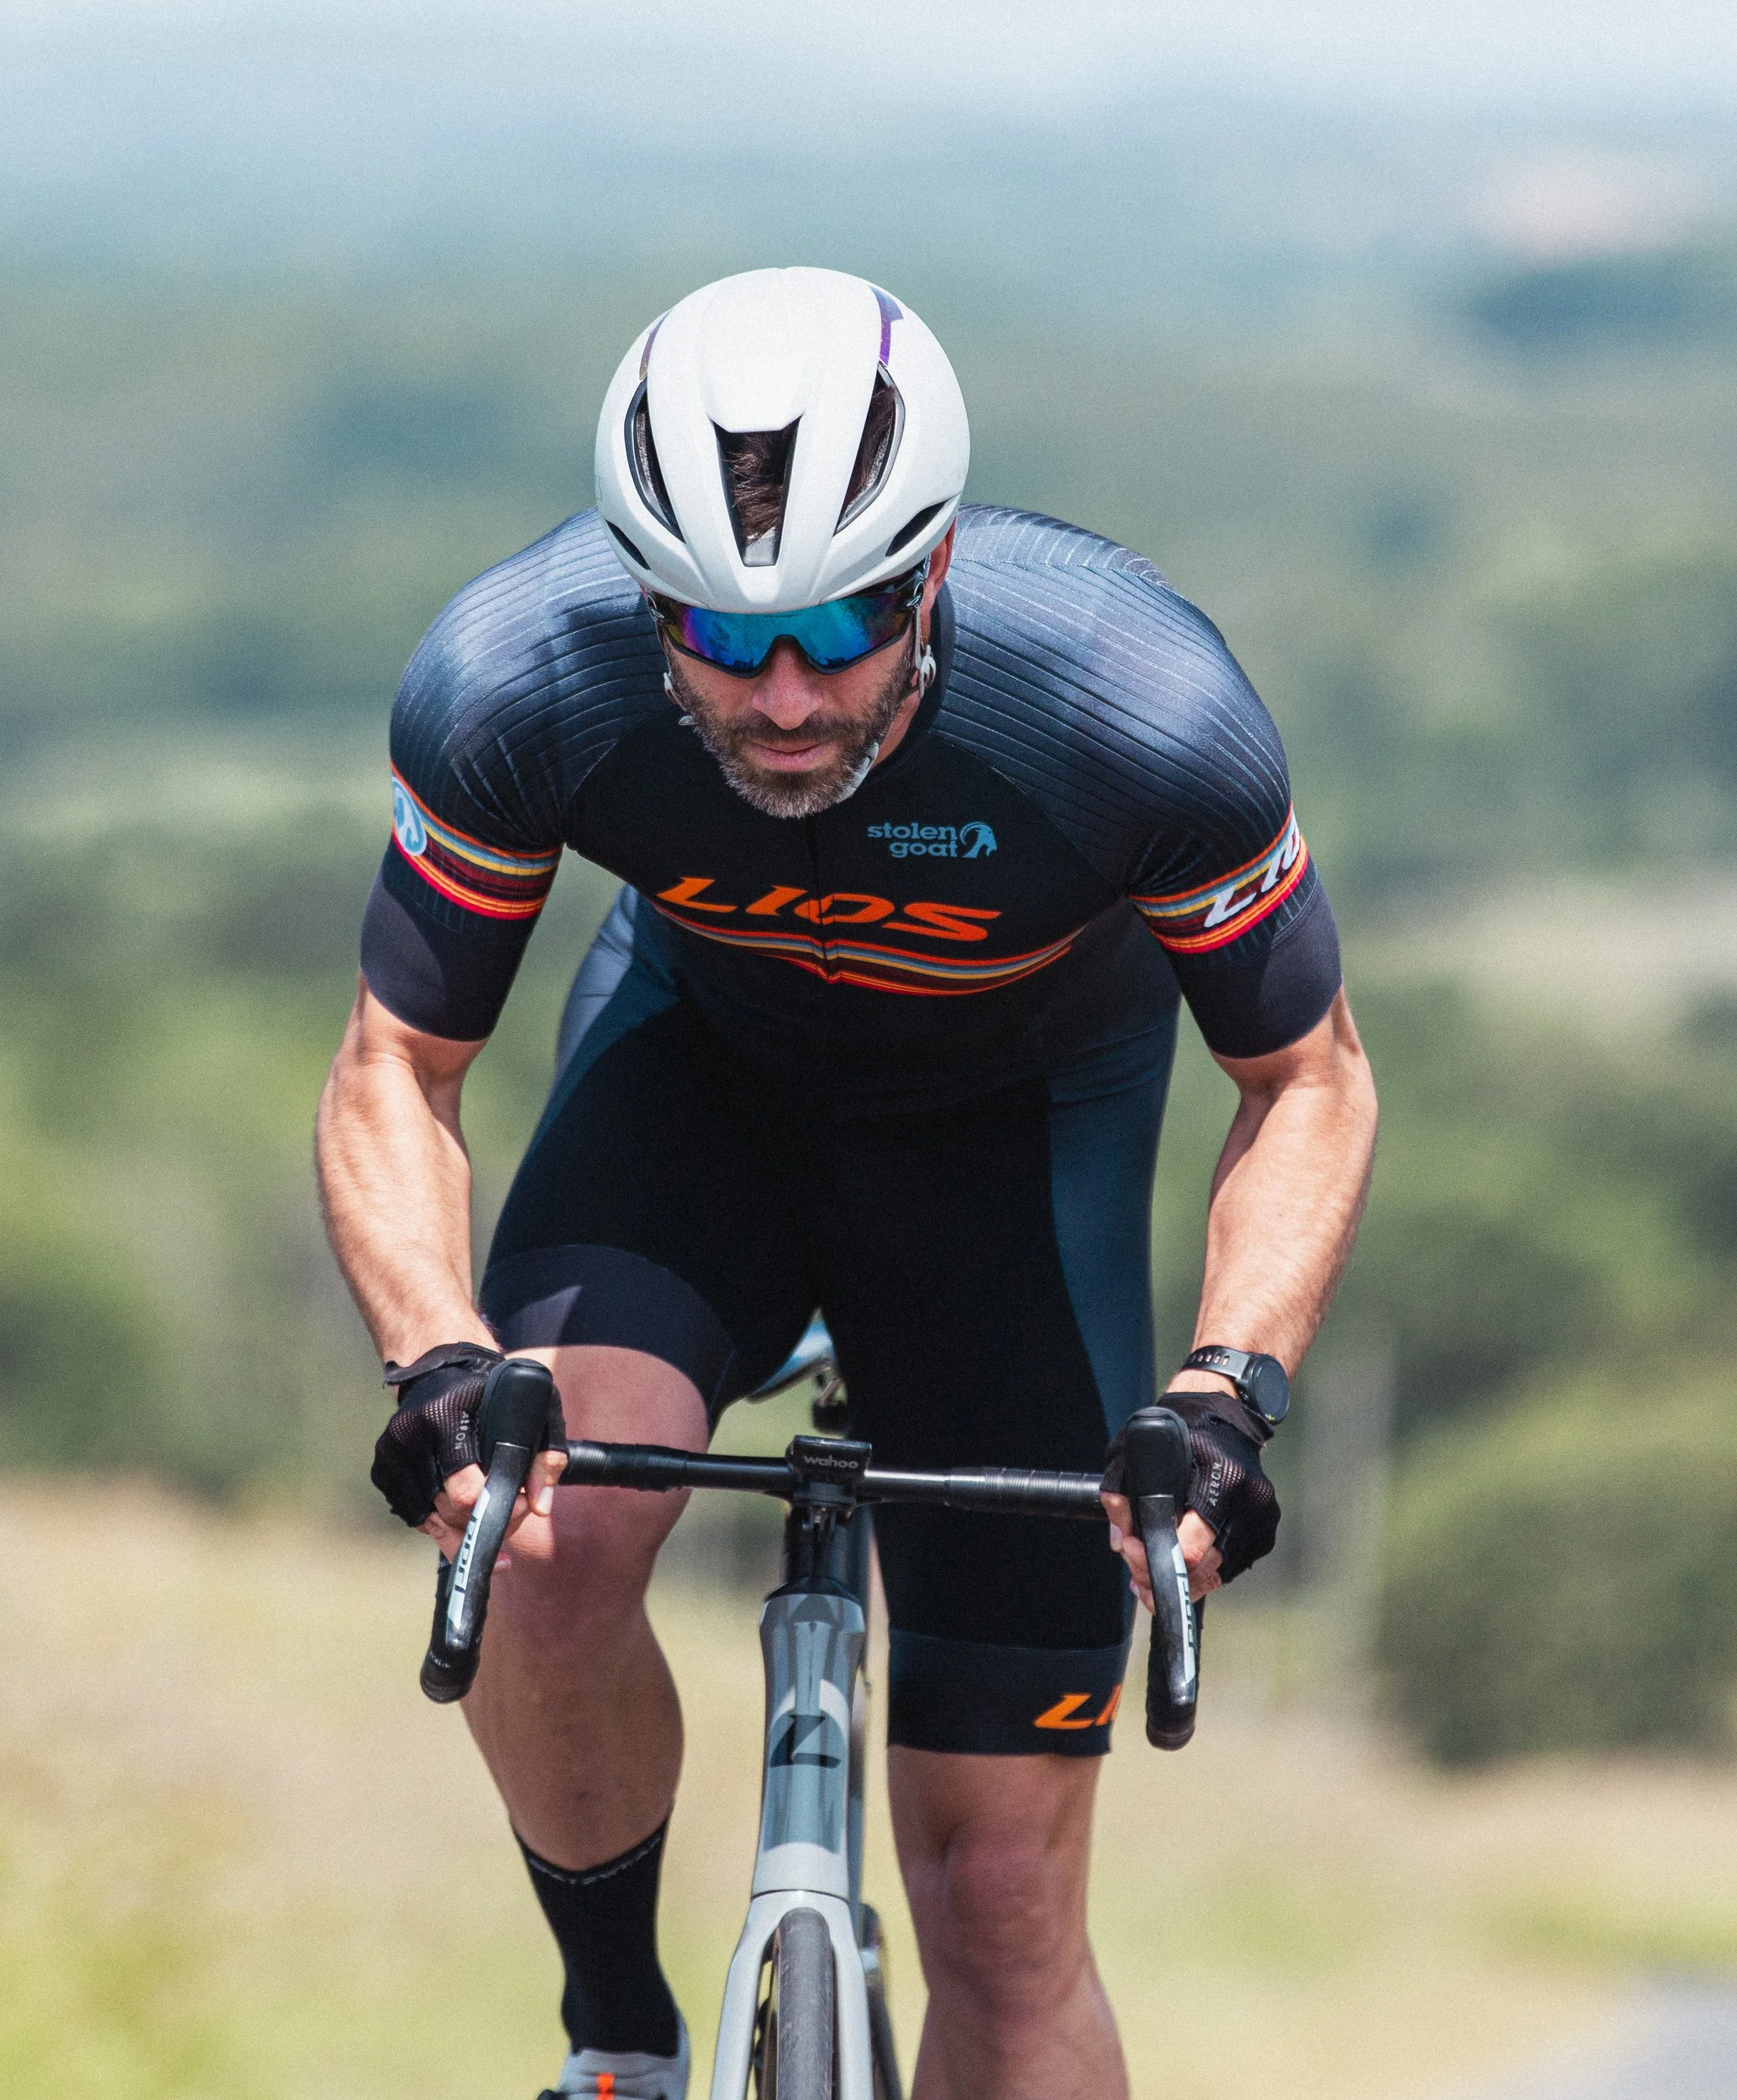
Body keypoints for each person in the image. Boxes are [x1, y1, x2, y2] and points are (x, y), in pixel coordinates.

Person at [316, 267, 1377, 2100]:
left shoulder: (1131, 706)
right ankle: (618, 2035)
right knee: (546, 1542)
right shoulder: (516, 675)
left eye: (843, 625)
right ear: (646, 602)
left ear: (936, 574)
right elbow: (396, 1068)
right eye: (724, 643)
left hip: (1014, 1143)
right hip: (700, 1088)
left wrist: (1228, 1388)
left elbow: (1305, 1079)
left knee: (997, 1904)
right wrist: (433, 1356)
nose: (786, 696)